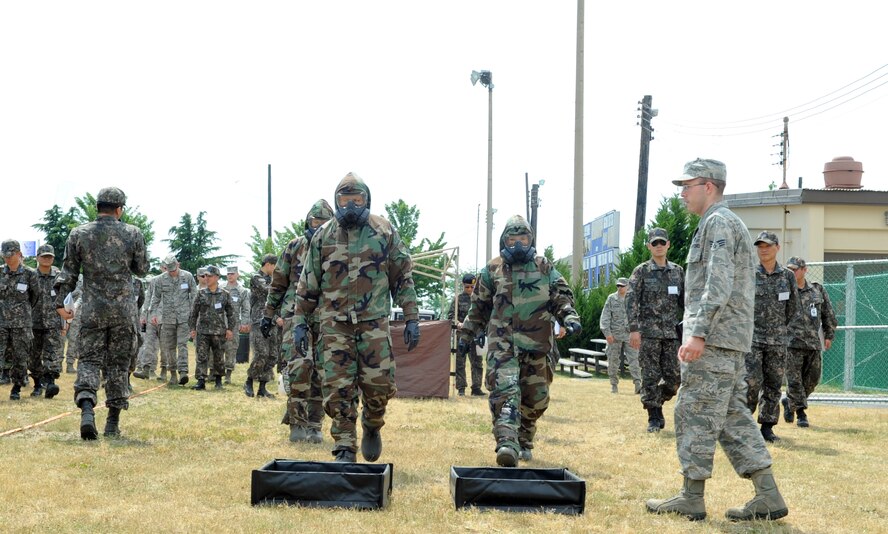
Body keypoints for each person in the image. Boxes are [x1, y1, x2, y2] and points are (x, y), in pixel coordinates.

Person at [646, 158, 787, 521]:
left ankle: (691, 497)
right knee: (729, 416)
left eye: (686, 185)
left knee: (694, 410)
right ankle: (768, 495)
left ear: (708, 186)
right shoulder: (717, 223)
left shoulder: (719, 223)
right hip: (727, 338)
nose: (681, 193)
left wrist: (698, 333)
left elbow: (718, 283)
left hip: (715, 339)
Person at [292, 172, 420, 463]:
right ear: (337, 201)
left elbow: (402, 277)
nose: (350, 206)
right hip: (334, 324)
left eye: (357, 200)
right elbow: (308, 282)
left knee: (379, 386)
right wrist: (300, 321)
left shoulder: (384, 231)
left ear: (367, 200)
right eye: (344, 200)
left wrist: (412, 317)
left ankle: (372, 424)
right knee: (337, 387)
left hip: (373, 322)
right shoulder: (323, 235)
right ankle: (345, 446)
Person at [458, 214, 581, 467]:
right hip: (503, 345)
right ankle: (507, 443)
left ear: (531, 239)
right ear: (504, 240)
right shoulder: (492, 269)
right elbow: (478, 307)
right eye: (512, 240)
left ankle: (524, 437)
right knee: (505, 392)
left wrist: (569, 317)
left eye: (522, 239)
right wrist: (466, 334)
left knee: (536, 398)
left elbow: (561, 296)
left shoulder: (544, 267)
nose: (517, 245)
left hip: (537, 345)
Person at [53, 187, 149, 439]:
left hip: (93, 309)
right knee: (118, 364)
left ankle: (87, 408)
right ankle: (112, 424)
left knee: (89, 360)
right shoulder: (133, 233)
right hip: (123, 311)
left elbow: (68, 273)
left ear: (98, 207)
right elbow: (141, 269)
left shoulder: (79, 234)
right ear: (119, 209)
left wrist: (60, 306)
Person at [264, 199, 333, 443]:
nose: (319, 226)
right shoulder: (294, 247)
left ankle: (315, 424)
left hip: (327, 318)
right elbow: (278, 283)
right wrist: (268, 314)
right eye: (316, 222)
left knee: (322, 373)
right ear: (308, 222)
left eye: (325, 223)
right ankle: (296, 422)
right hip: (296, 317)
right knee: (299, 367)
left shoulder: (337, 250)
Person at [627, 228, 684, 433]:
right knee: (649, 376)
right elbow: (631, 301)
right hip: (648, 333)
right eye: (654, 243)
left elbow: (686, 302)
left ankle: (656, 402)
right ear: (649, 246)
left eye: (662, 242)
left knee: (674, 379)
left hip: (671, 334)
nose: (658, 246)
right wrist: (634, 329)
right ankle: (653, 417)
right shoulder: (641, 271)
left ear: (668, 244)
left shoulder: (677, 271)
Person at [746, 231, 800, 443]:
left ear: (777, 247)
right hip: (752, 338)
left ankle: (767, 427)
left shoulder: (787, 276)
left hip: (777, 340)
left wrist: (779, 329)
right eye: (760, 246)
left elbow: (793, 307)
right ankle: (744, 423)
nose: (763, 249)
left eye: (767, 245)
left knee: (773, 384)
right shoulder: (749, 273)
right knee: (750, 382)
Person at [783, 256, 837, 428]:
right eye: (789, 269)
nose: (791, 272)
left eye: (795, 269)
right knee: (794, 380)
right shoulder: (784, 291)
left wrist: (829, 335)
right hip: (790, 343)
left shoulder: (817, 289)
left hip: (813, 343)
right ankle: (801, 414)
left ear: (804, 270)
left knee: (812, 379)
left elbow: (828, 313)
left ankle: (789, 402)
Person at [0, 239, 40, 400]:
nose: (7, 259)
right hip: (1, 322)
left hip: (22, 323)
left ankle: (16, 387)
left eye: (10, 255)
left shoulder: (30, 274)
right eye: (5, 256)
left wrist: (22, 312)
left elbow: (34, 297)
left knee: (20, 356)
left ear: (19, 254)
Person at [149, 255, 196, 386]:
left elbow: (194, 295)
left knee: (182, 345)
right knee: (169, 347)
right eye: (169, 270)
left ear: (178, 264)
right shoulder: (161, 279)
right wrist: (153, 313)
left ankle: (183, 372)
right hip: (167, 318)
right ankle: (173, 374)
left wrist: (194, 313)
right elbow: (156, 297)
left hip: (183, 317)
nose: (172, 272)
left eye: (173, 269)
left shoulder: (188, 276)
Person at [189, 265, 235, 390]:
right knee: (202, 356)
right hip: (203, 331)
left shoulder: (225, 294)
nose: (206, 278)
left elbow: (231, 313)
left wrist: (230, 329)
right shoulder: (200, 293)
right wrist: (192, 329)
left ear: (216, 277)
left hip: (219, 331)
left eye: (209, 276)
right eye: (204, 276)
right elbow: (193, 313)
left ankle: (218, 380)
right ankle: (201, 381)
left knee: (219, 357)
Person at [30, 244, 64, 399]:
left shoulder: (59, 275)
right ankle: (37, 384)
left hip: (53, 322)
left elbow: (72, 293)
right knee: (34, 355)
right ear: (37, 258)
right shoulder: (30, 275)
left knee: (53, 354)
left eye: (49, 256)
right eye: (44, 256)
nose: (47, 259)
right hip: (33, 322)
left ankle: (50, 383)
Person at [600, 278, 640, 396]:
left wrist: (638, 333)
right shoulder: (611, 299)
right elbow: (605, 317)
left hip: (630, 335)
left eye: (622, 286)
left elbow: (640, 316)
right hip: (614, 336)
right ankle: (614, 385)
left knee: (635, 360)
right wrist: (607, 333)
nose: (620, 288)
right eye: (618, 286)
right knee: (613, 361)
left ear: (628, 286)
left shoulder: (633, 299)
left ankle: (638, 384)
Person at [246, 254, 279, 399]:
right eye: (275, 266)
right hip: (259, 320)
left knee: (272, 355)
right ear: (268, 264)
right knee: (261, 354)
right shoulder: (256, 278)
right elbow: (269, 291)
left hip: (273, 321)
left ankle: (262, 387)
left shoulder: (274, 280)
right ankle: (249, 380)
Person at [448, 273, 485, 396]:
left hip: (476, 335)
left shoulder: (479, 300)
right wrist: (457, 323)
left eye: (472, 287)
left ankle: (476, 388)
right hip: (461, 335)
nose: (469, 289)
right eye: (467, 287)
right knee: (460, 362)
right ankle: (461, 388)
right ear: (463, 286)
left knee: (477, 362)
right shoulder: (458, 299)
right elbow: (451, 316)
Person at [133, 265, 165, 380]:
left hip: (159, 320)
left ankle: (153, 369)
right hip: (147, 321)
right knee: (145, 343)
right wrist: (143, 320)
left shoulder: (163, 293)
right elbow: (144, 307)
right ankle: (141, 366)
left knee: (157, 346)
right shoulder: (147, 293)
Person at [221, 266, 251, 384]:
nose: (230, 276)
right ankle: (215, 372)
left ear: (237, 274)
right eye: (228, 274)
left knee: (231, 348)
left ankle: (228, 374)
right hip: (218, 322)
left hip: (233, 323)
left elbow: (245, 308)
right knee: (217, 347)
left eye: (232, 274)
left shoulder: (242, 291)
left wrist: (244, 323)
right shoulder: (220, 288)